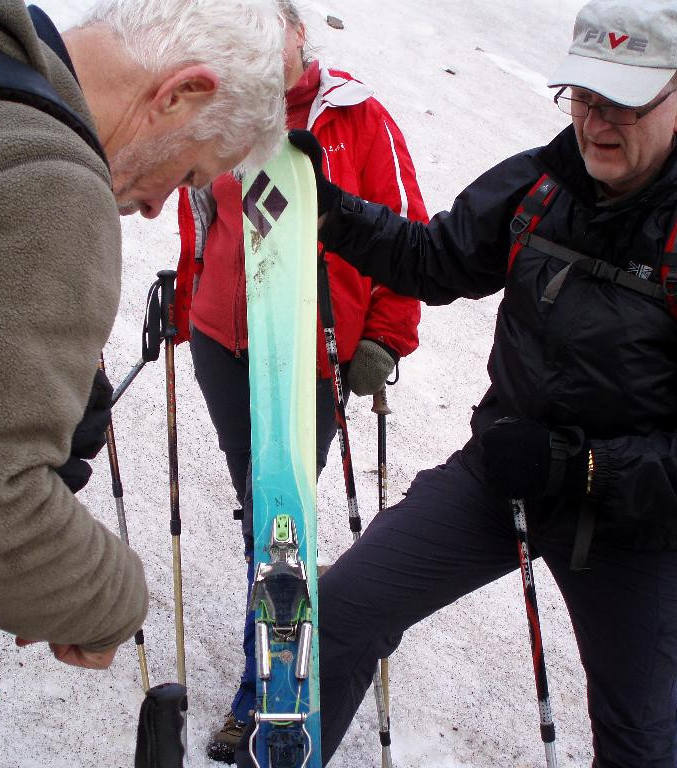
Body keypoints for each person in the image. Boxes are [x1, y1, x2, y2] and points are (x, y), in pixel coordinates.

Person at [245, 0, 677, 765]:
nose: (596, 122)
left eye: (625, 102)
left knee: (642, 741)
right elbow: (435, 257)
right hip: (501, 476)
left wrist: (581, 468)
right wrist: (333, 213)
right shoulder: (546, 184)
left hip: (636, 528)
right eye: (584, 96)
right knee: (342, 610)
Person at [0, 0, 285, 765]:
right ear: (179, 92)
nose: (153, 209)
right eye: (187, 174)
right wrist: (112, 598)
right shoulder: (48, 185)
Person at [174, 0, 428, 761]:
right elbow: (198, 213)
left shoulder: (355, 118)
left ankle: (264, 694)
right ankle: (292, 638)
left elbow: (406, 230)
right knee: (265, 508)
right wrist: (187, 302)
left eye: (268, 23)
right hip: (223, 342)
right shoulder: (221, 111)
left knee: (275, 515)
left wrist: (386, 333)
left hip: (312, 352)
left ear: (296, 32)